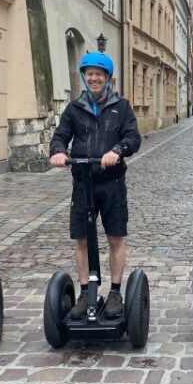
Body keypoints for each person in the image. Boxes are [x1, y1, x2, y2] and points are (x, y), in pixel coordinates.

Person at [49, 52, 141, 319]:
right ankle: (86, 292)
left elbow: (133, 137)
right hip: (82, 182)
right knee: (82, 239)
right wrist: (57, 152)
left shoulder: (121, 106)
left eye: (99, 74)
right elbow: (60, 136)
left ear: (108, 78)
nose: (94, 78)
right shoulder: (74, 108)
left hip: (111, 181)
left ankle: (114, 292)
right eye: (89, 74)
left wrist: (118, 150)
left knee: (115, 237)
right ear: (84, 77)